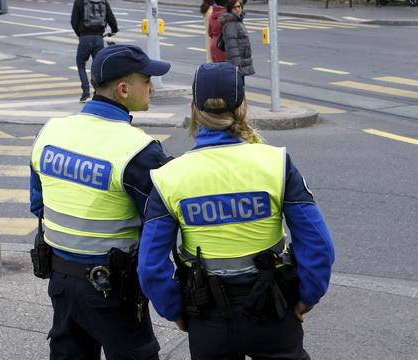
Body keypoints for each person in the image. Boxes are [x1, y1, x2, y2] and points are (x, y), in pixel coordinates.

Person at [138, 63, 335, 360]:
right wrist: (307, 297)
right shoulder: (276, 164)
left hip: (207, 317)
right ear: (243, 108)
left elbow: (151, 267)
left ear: (193, 109)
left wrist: (175, 311)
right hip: (273, 311)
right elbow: (319, 246)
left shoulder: (170, 177)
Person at [30, 44, 171, 360]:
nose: (152, 86)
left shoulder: (51, 131)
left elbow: (38, 205)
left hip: (61, 282)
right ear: (123, 89)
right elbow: (160, 228)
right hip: (113, 290)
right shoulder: (138, 150)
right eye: (146, 79)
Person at [71, 0, 119, 103]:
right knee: (98, 65)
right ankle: (98, 91)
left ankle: (85, 91)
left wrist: (80, 34)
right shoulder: (103, 1)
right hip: (98, 38)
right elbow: (111, 18)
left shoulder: (79, 1)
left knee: (81, 64)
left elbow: (74, 21)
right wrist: (114, 30)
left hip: (85, 38)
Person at [220, 0, 255, 83]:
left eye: (239, 6)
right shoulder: (232, 23)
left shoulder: (237, 21)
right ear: (230, 9)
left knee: (240, 86)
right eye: (234, 7)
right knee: (238, 86)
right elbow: (232, 45)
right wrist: (237, 64)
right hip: (237, 63)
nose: (237, 9)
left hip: (241, 60)